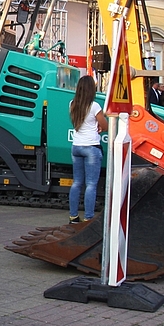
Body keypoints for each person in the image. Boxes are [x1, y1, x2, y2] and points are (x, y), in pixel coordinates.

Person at [68, 75, 108, 224]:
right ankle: (88, 218)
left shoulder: (72, 104)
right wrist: (99, 127)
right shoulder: (95, 106)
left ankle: (73, 217)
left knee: (77, 182)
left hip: (76, 146)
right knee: (91, 184)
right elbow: (105, 126)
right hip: (91, 147)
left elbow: (77, 122)